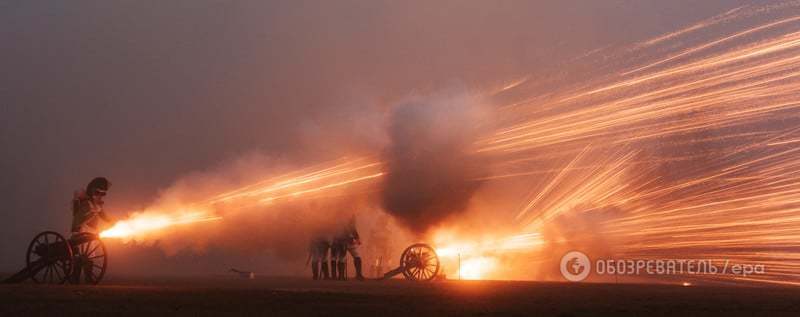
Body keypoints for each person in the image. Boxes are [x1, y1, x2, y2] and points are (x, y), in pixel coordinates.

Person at [70, 177, 115, 283]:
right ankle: (75, 278)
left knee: (89, 257)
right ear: (92, 191)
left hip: (92, 232)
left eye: (102, 194)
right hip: (82, 230)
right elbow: (79, 217)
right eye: (98, 193)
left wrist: (113, 222)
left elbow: (104, 216)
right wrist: (94, 211)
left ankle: (88, 279)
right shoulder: (85, 203)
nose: (100, 196)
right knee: (80, 256)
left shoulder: (97, 205)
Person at [333, 215, 364, 281]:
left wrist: (357, 239)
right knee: (343, 258)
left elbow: (353, 230)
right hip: (343, 242)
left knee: (356, 257)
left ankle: (358, 275)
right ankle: (341, 276)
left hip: (348, 242)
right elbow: (348, 230)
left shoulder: (347, 220)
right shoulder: (342, 221)